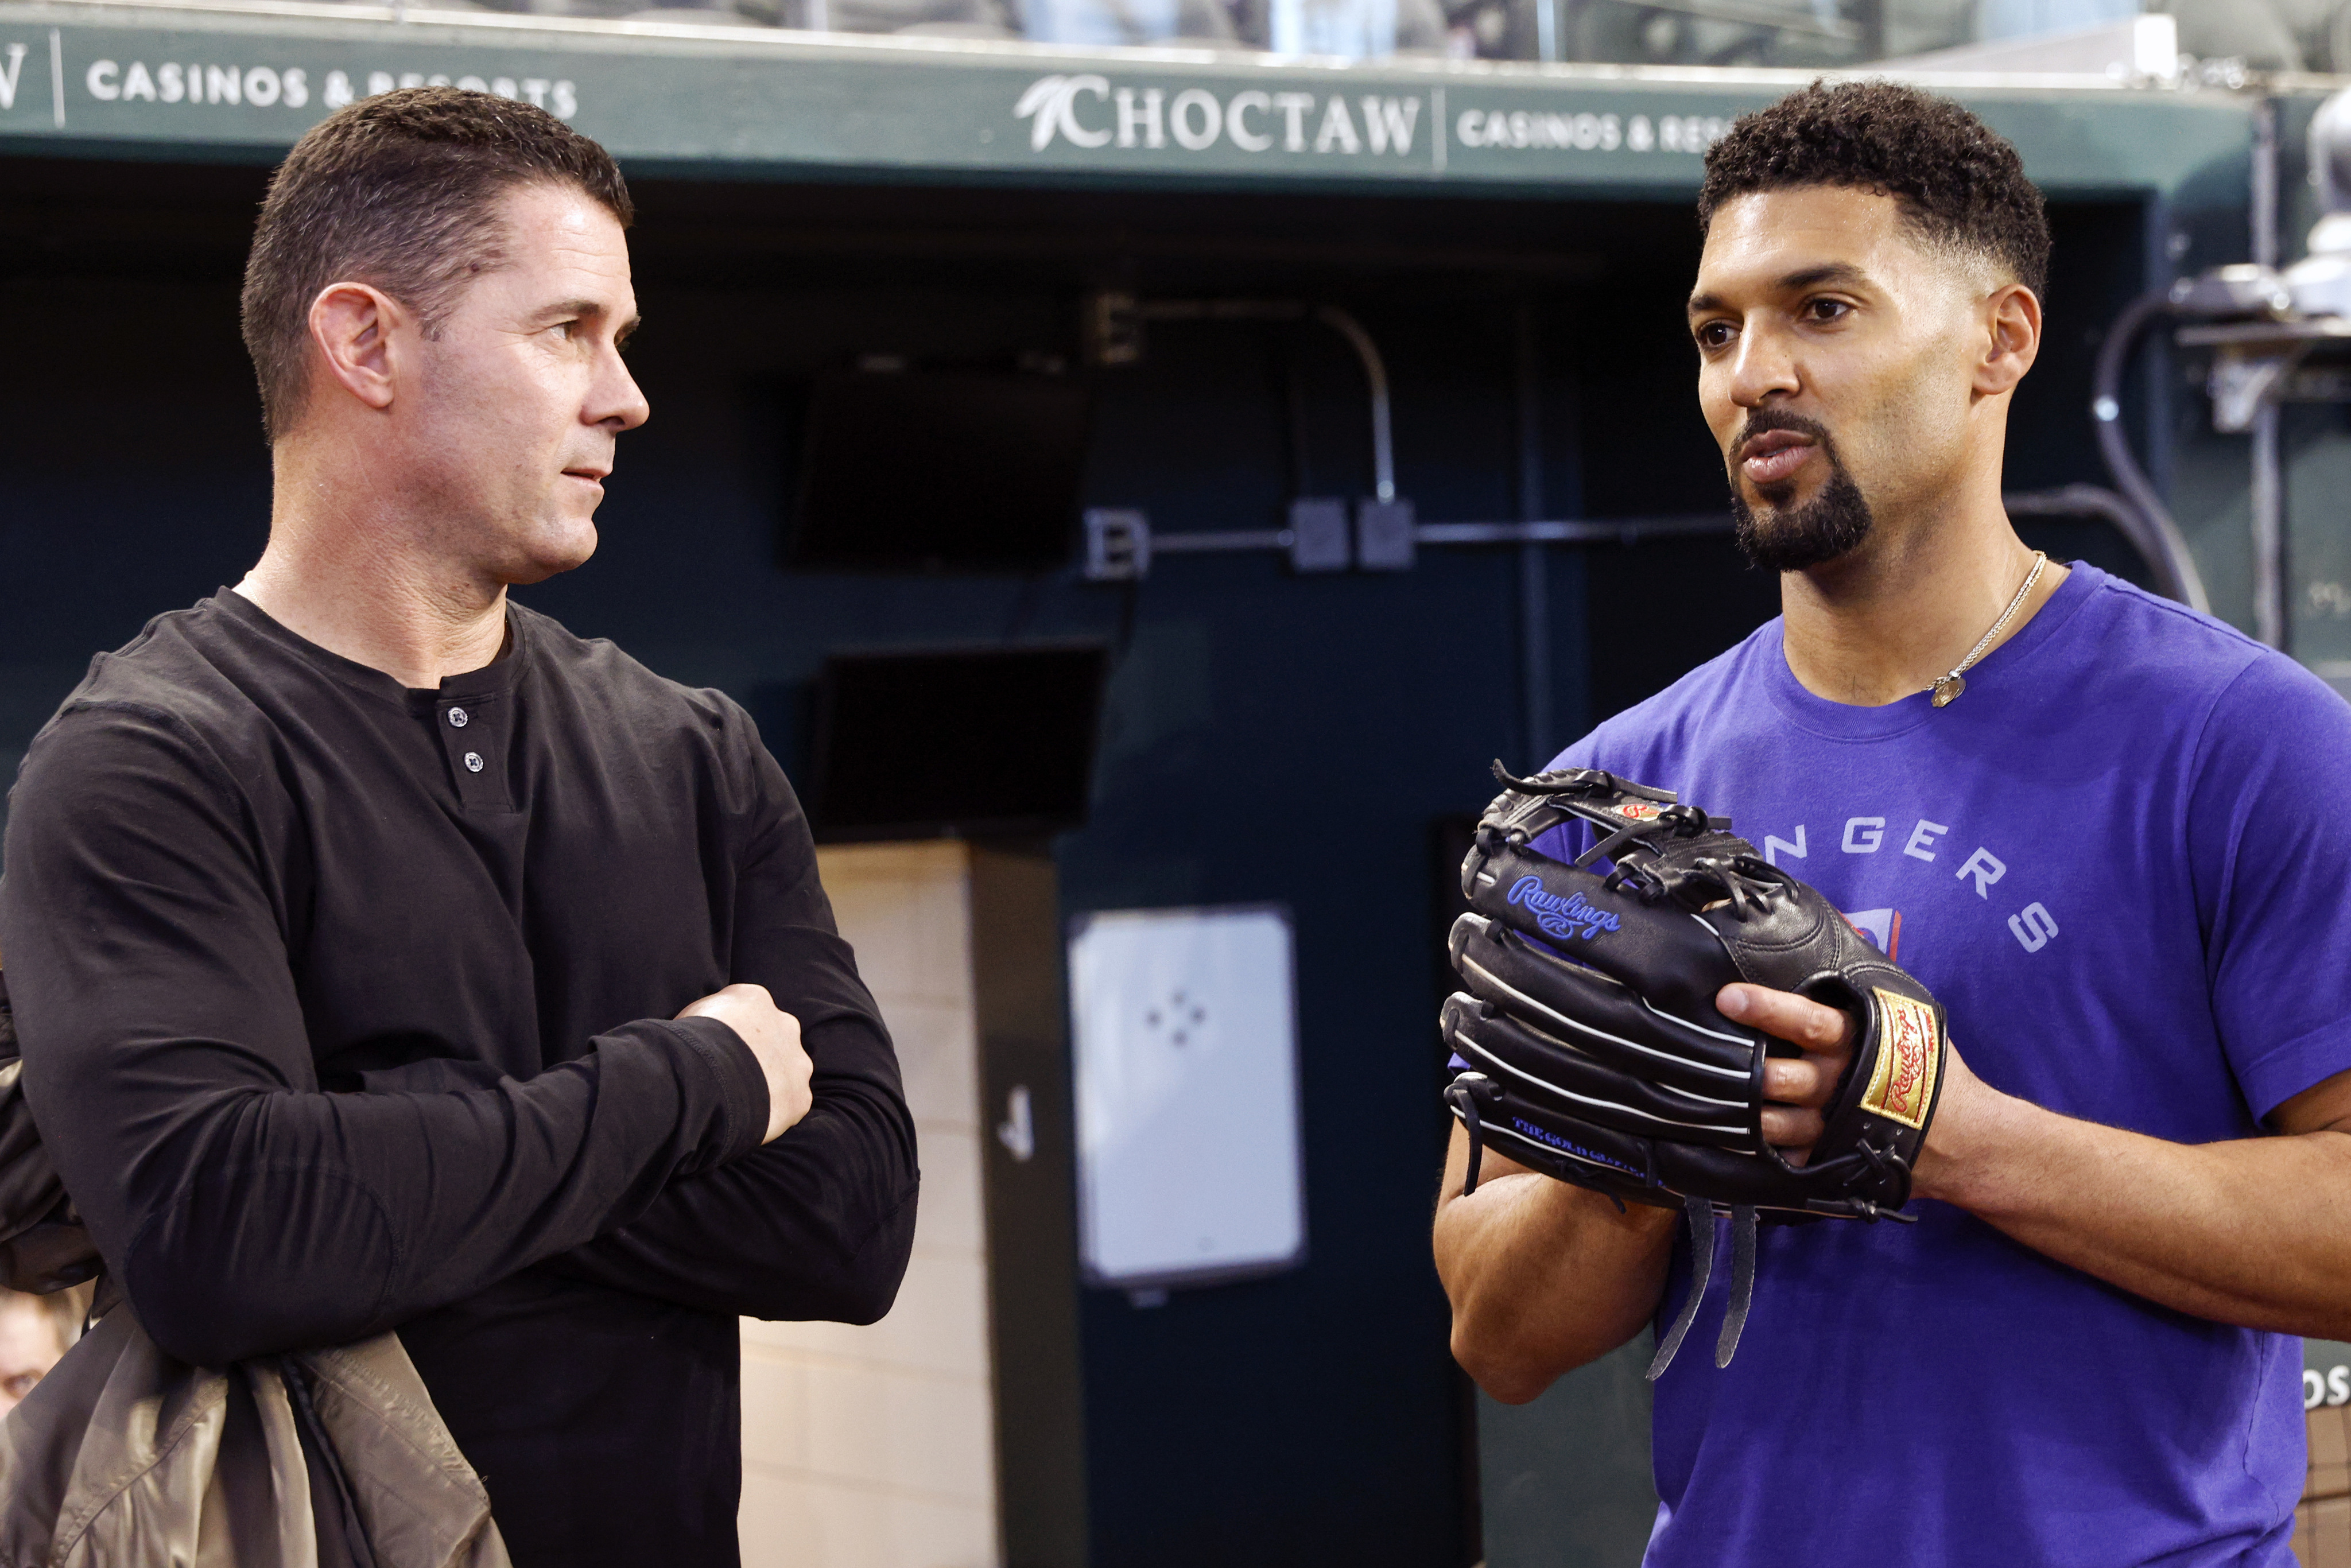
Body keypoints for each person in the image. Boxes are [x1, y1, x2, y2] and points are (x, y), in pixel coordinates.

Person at [1433, 80, 2351, 1566]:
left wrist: (1962, 1141)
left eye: (1825, 308)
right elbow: (1498, 1331)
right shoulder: (1611, 799)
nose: (1754, 374)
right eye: (1716, 330)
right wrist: (1653, 1146)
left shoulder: (2243, 746)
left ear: (2002, 339)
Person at [0, 89, 918, 1566]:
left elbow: (852, 1221)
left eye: (620, 341)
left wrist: (370, 1134)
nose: (623, 396)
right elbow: (225, 1244)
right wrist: (692, 1083)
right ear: (365, 343)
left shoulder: (692, 752)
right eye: (568, 331)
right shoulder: (143, 766)